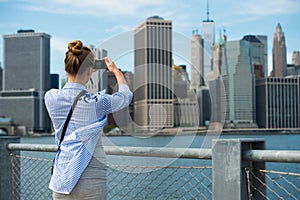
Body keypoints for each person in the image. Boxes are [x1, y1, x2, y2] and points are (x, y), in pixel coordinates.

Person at [45, 40, 132, 199]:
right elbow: (126, 97)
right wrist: (116, 72)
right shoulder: (96, 103)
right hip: (91, 180)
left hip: (61, 181)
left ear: (67, 68)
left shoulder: (51, 97)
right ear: (89, 71)